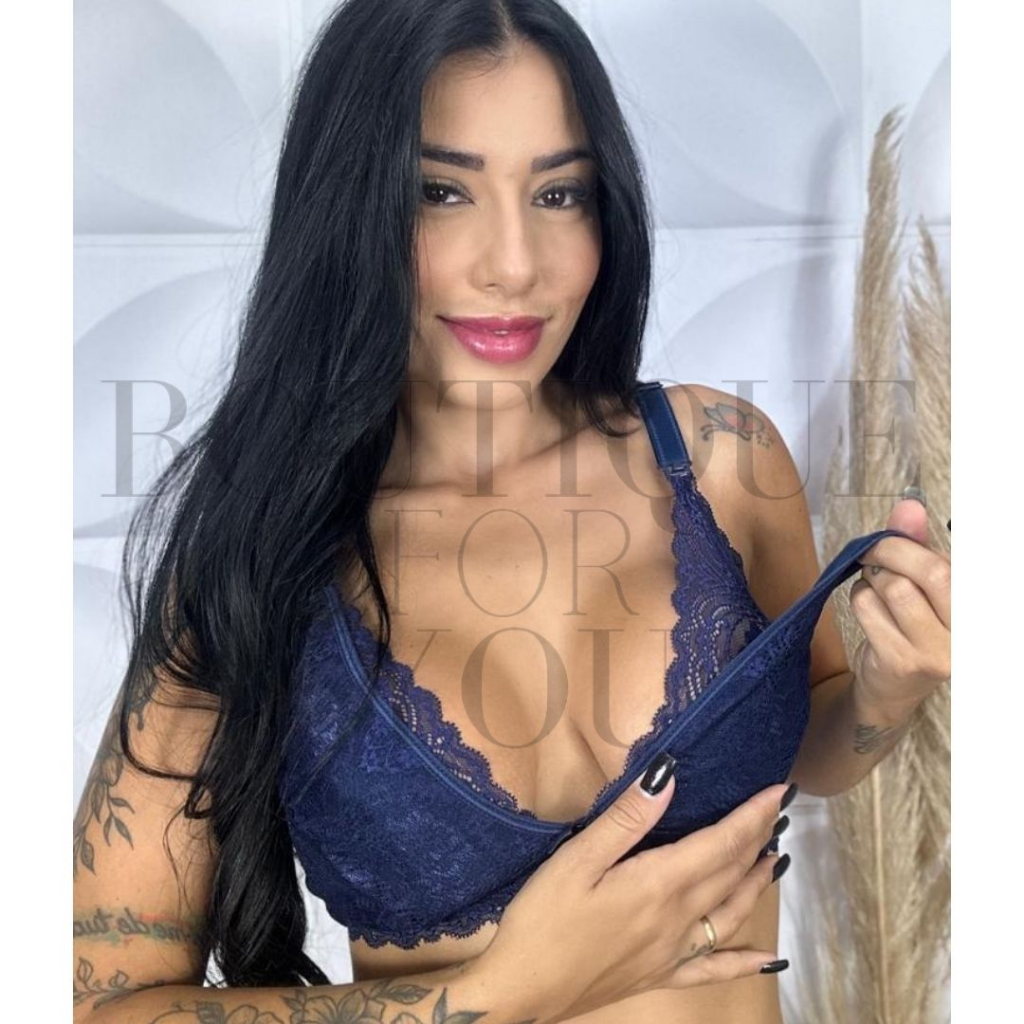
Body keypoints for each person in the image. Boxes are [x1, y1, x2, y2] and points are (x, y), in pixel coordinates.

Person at [71, 2, 952, 1022]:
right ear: (348, 204)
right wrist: (501, 991)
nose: (515, 264)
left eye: (557, 192)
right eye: (441, 191)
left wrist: (887, 692)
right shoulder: (257, 558)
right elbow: (106, 1004)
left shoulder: (719, 459)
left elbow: (812, 744)